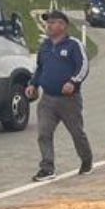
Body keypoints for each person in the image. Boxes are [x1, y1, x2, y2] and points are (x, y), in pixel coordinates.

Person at [25, 9, 93, 181]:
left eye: (52, 22)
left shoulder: (73, 45)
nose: (48, 25)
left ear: (62, 25)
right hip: (47, 99)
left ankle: (86, 160)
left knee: (76, 133)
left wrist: (73, 82)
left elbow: (83, 66)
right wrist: (33, 84)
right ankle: (47, 167)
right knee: (44, 133)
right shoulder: (45, 46)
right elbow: (40, 67)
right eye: (47, 22)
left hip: (69, 100)